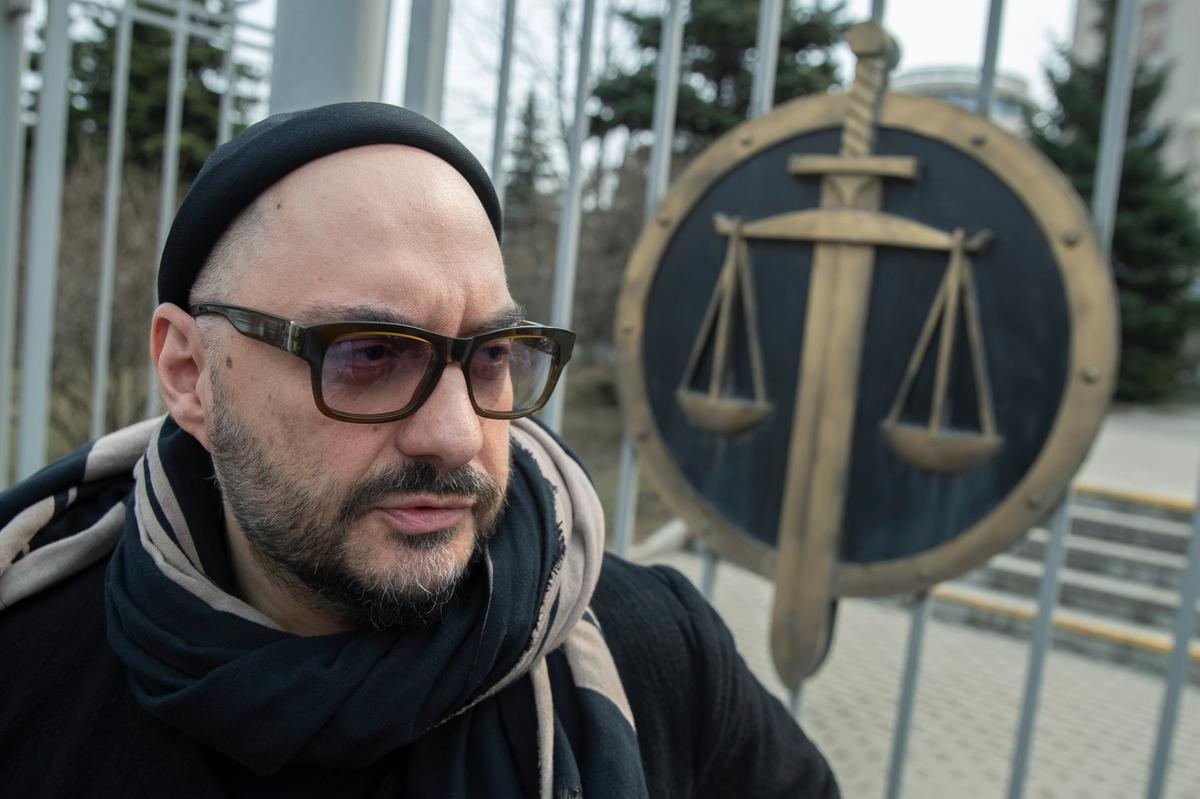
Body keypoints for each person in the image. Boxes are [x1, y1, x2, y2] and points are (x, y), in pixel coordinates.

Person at [0, 102, 839, 798]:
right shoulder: (32, 658)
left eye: (492, 354)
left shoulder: (651, 650)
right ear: (189, 373)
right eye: (367, 354)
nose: (455, 434)